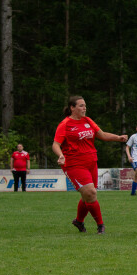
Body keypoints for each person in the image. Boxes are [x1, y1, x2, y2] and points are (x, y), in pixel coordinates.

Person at [52, 96, 128, 234]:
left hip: (91, 163)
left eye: (85, 105)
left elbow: (103, 135)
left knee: (87, 196)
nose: (84, 108)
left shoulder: (87, 120)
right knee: (91, 193)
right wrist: (60, 155)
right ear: (72, 108)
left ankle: (79, 221)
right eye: (81, 105)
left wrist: (118, 138)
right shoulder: (65, 124)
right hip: (74, 164)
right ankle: (100, 226)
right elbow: (55, 144)